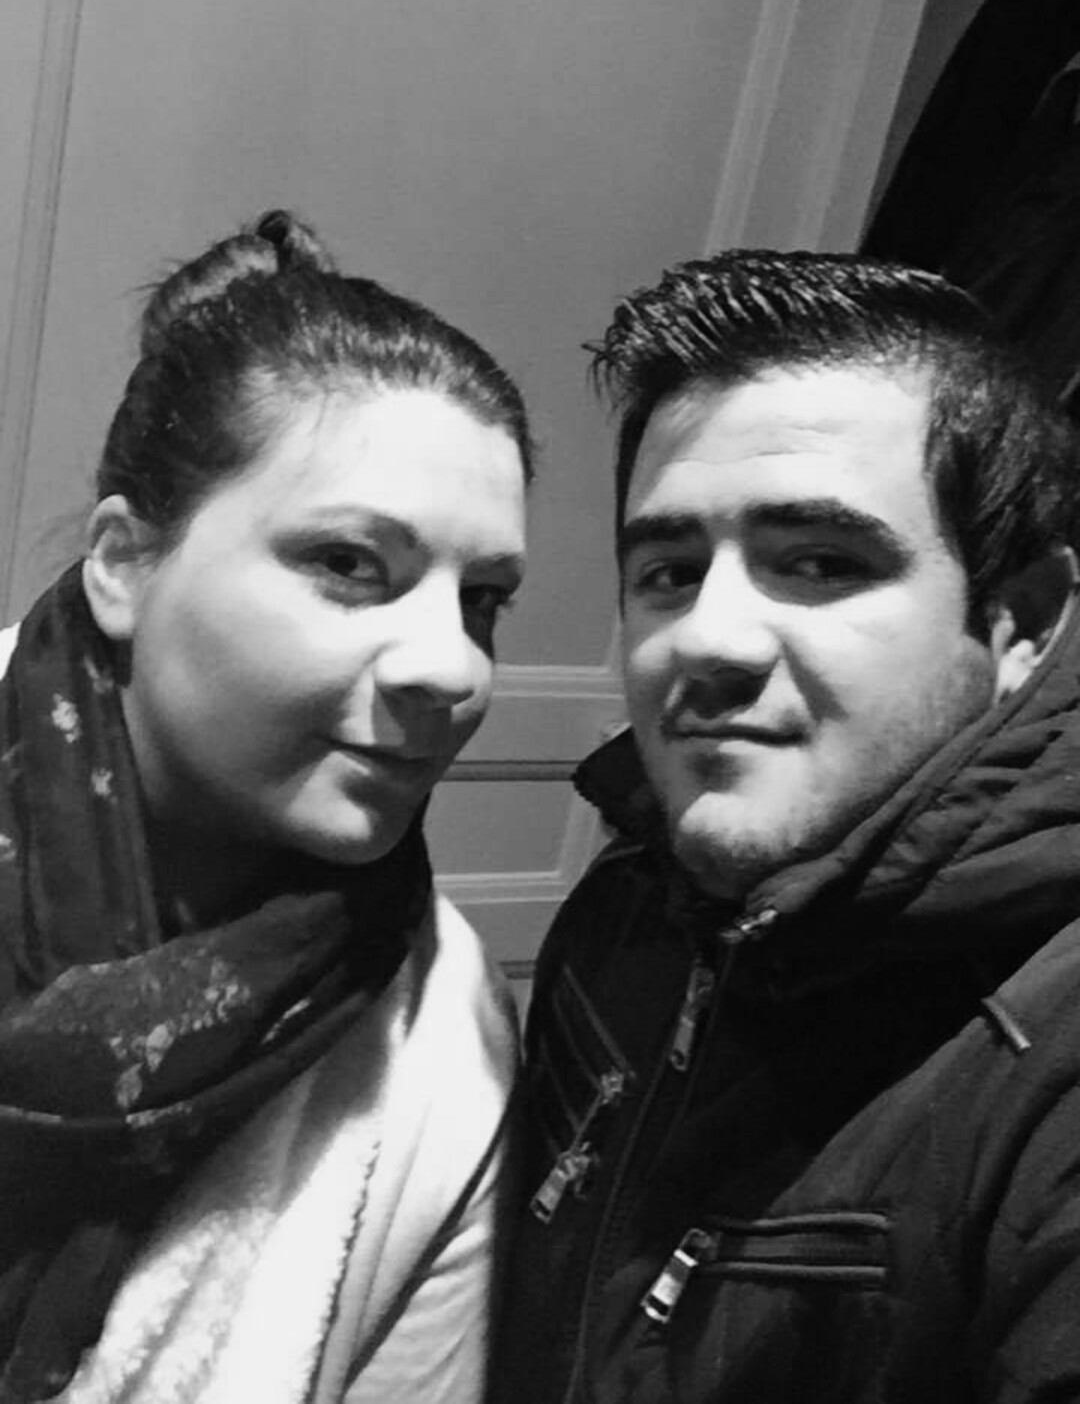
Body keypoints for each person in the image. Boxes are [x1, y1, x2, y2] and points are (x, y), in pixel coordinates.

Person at [493, 250, 1080, 1403]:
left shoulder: (1051, 1081)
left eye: (819, 562)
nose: (707, 640)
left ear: (1020, 622)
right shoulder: (626, 903)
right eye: (669, 571)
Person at [0, 209, 532, 1404]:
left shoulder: (445, 1050)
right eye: (350, 563)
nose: (453, 668)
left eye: (484, 600)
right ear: (124, 564)